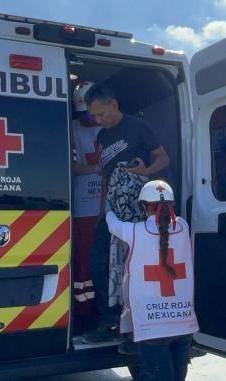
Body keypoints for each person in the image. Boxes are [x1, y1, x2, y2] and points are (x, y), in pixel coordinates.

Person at [105, 180, 197, 381]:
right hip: (183, 328)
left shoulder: (134, 231)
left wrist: (108, 203)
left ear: (143, 206)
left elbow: (112, 223)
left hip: (151, 331)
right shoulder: (184, 227)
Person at [82, 83, 170, 342]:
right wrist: (102, 212)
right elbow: (106, 177)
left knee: (136, 264)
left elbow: (163, 158)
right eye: (93, 116)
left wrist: (146, 172)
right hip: (113, 209)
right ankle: (108, 320)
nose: (98, 120)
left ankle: (138, 321)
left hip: (141, 209)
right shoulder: (102, 138)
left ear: (114, 104)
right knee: (99, 259)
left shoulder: (138, 127)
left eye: (101, 114)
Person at [70, 81, 103, 326]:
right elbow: (71, 166)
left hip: (109, 206)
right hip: (85, 206)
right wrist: (97, 168)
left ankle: (106, 309)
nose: (90, 119)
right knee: (84, 259)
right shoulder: (72, 129)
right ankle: (84, 311)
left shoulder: (114, 127)